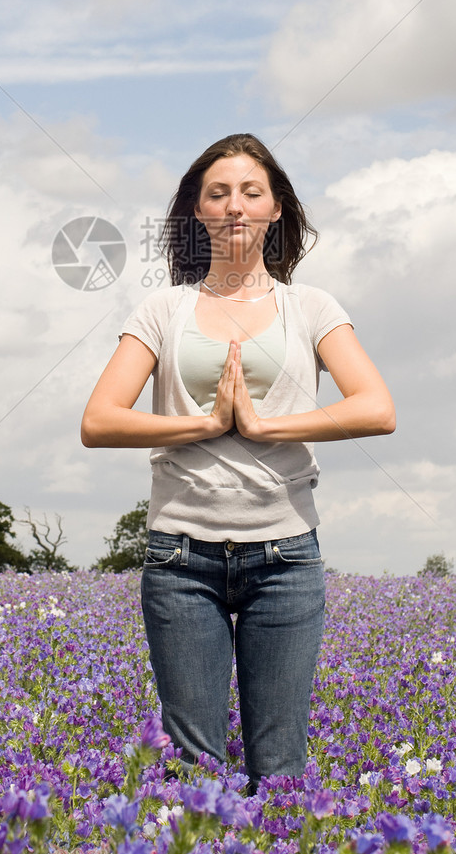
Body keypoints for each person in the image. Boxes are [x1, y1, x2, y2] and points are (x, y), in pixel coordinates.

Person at [81, 133, 395, 791]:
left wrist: (263, 425)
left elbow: (376, 408)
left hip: (284, 556)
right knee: (195, 775)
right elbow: (99, 419)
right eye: (218, 194)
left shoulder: (310, 307)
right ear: (197, 213)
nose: (235, 207)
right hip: (180, 557)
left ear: (277, 207)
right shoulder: (164, 309)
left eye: (251, 193)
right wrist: (201, 425)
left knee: (279, 768)